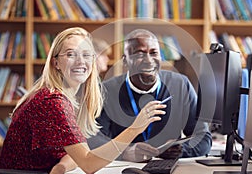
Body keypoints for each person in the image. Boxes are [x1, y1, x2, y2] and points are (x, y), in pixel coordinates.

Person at [0, 27, 166, 174]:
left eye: (86, 54)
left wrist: (61, 166)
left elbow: (78, 153)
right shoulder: (52, 101)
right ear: (56, 63)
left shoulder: (65, 99)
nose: (80, 61)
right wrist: (135, 128)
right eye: (71, 54)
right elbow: (88, 163)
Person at [88, 29, 212, 162]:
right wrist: (125, 152)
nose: (148, 60)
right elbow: (94, 140)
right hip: (121, 172)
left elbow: (203, 138)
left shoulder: (181, 85)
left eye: (154, 53)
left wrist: (182, 150)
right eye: (139, 54)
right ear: (125, 61)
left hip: (167, 171)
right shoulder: (106, 90)